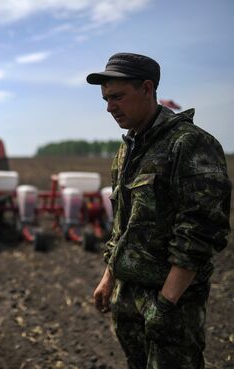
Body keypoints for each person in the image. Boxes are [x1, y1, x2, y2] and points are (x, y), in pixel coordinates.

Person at [88, 52, 231, 369]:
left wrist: (166, 303)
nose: (109, 107)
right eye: (106, 99)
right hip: (128, 298)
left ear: (148, 89)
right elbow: (125, 226)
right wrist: (109, 277)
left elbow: (201, 231)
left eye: (117, 97)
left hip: (172, 302)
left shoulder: (190, 144)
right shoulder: (127, 149)